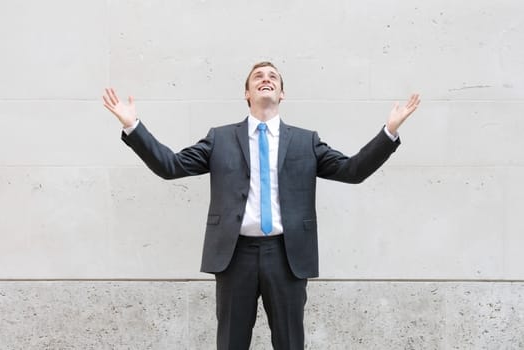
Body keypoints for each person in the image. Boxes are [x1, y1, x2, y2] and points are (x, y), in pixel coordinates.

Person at [102, 61, 420, 350]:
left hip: (286, 255)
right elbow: (170, 166)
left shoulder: (305, 141)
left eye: (272, 77)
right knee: (230, 343)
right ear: (247, 93)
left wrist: (389, 131)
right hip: (234, 254)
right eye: (258, 77)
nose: (265, 80)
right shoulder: (220, 139)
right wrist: (133, 127)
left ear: (282, 93)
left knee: (290, 343)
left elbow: (353, 171)